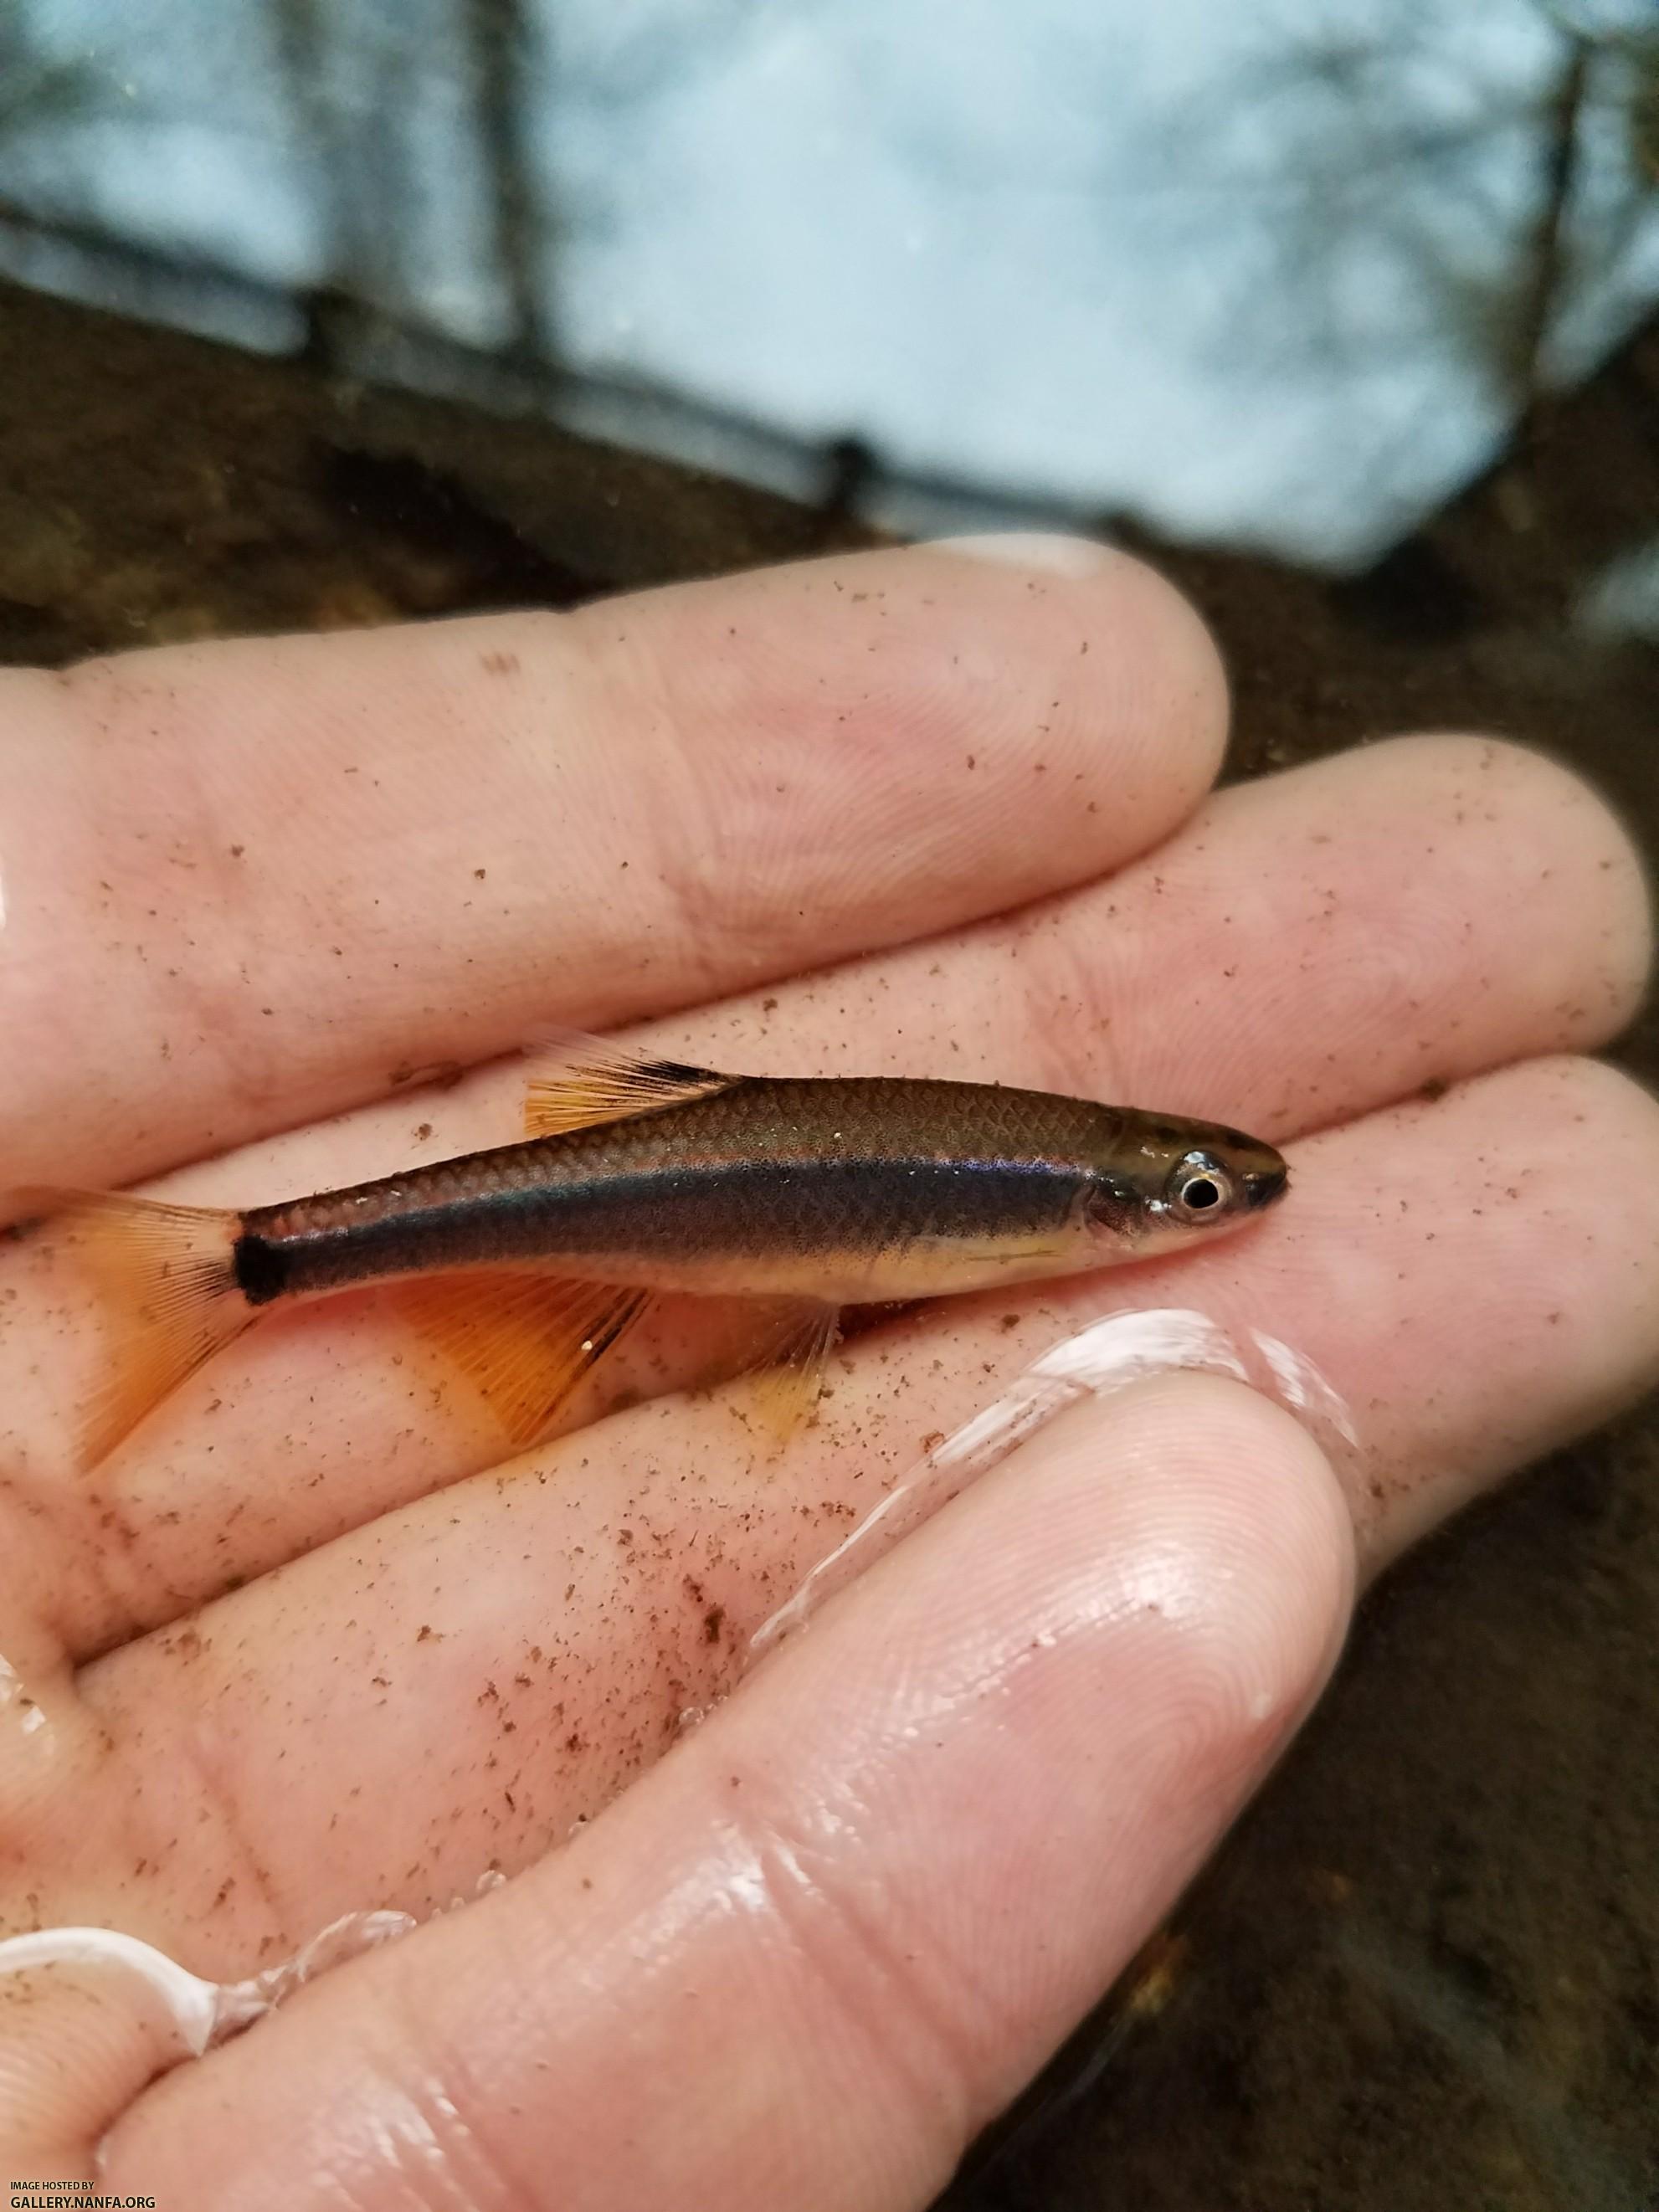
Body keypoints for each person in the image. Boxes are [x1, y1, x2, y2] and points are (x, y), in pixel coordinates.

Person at [0, 535, 1652, 2205]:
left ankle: (244, 1259)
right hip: (652, 1205)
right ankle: (245, 1258)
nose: (1210, 1213)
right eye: (1204, 1199)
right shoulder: (1050, 1204)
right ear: (1117, 1205)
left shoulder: (1049, 1187)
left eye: (1209, 1195)